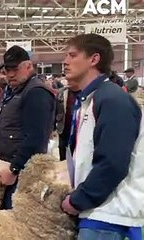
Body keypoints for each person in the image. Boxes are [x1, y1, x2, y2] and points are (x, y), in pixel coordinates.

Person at [60, 33, 143, 240]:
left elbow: (113, 162)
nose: (65, 61)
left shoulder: (112, 100)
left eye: (72, 55)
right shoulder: (90, 100)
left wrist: (79, 199)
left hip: (110, 216)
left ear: (94, 59)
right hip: (96, 212)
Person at [0, 45, 55, 210]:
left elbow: (36, 138)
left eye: (15, 69)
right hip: (6, 167)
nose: (10, 74)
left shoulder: (36, 93)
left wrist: (14, 168)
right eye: (7, 69)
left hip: (20, 173)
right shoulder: (14, 90)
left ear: (29, 66)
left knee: (15, 221)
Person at [54, 81, 80, 161]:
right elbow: (55, 109)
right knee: (62, 153)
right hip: (63, 128)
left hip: (77, 130)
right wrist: (52, 127)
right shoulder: (62, 92)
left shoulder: (85, 92)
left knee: (75, 155)